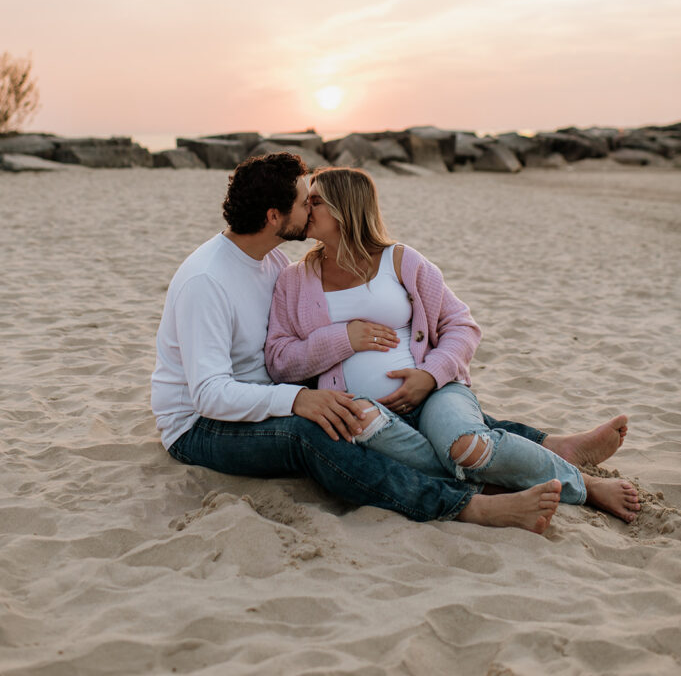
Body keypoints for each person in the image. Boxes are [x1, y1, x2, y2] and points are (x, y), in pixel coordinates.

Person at [152, 152, 576, 533]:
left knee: (428, 408)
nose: (310, 205)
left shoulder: (271, 261)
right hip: (201, 427)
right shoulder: (207, 281)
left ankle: (542, 448)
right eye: (304, 201)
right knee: (315, 433)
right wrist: (298, 399)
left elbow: (457, 324)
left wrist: (303, 392)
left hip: (267, 395)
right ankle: (470, 506)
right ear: (273, 217)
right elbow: (208, 395)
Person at [265, 166, 640, 523]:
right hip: (367, 416)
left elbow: (461, 325)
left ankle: (586, 485)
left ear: (346, 207)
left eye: (315, 201)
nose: (305, 208)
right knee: (383, 429)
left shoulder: (401, 261)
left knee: (465, 446)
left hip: (436, 394)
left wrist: (430, 376)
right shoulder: (295, 280)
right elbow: (279, 360)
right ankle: (532, 472)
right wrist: (341, 339)